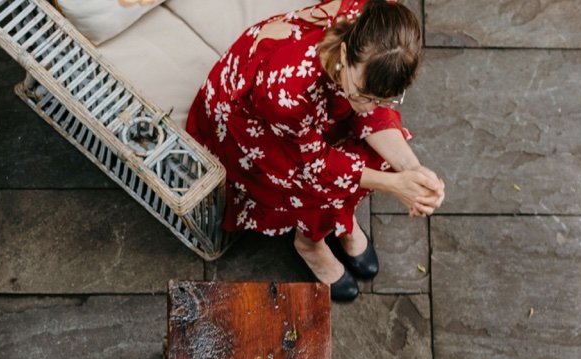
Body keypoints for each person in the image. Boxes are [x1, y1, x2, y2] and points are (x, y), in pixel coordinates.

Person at [185, 0, 444, 303]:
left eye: (384, 99)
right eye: (364, 94)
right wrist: (394, 185)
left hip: (317, 106)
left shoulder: (381, 29)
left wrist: (412, 170)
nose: (370, 106)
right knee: (317, 186)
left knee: (374, 159)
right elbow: (313, 165)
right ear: (345, 54)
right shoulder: (287, 90)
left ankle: (341, 221)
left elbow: (371, 114)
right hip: (259, 126)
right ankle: (310, 243)